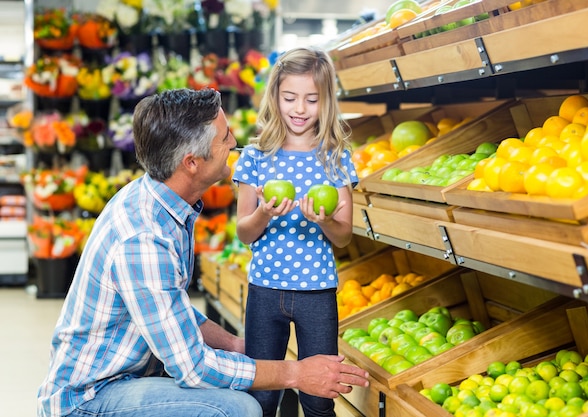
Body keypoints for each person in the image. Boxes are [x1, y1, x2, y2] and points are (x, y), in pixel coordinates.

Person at [36, 88, 369, 417]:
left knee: (236, 379)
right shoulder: (144, 238)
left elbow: (171, 312)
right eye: (224, 138)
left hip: (128, 376)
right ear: (192, 163)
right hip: (90, 400)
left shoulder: (162, 202)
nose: (234, 141)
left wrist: (238, 347)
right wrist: (296, 373)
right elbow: (192, 367)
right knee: (239, 408)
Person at [232, 47, 359, 417]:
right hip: (264, 291)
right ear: (275, 98)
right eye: (289, 98)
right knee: (261, 396)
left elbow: (344, 236)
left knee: (319, 399)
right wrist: (264, 214)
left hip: (317, 292)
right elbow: (243, 232)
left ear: (326, 102)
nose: (299, 109)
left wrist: (325, 220)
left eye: (311, 99)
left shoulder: (336, 157)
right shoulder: (255, 157)